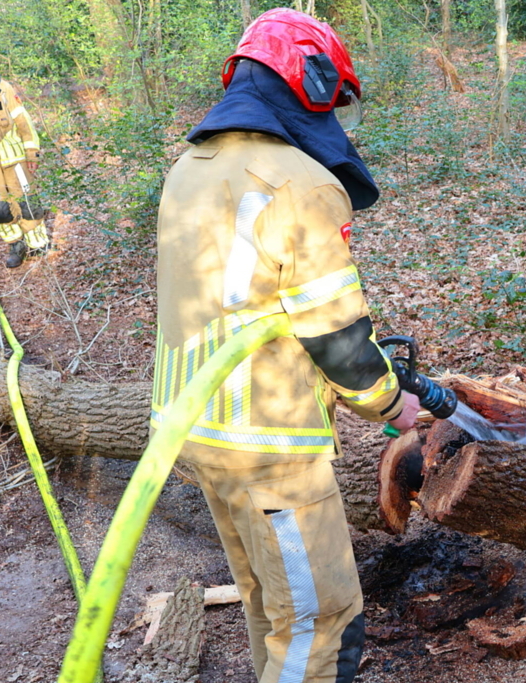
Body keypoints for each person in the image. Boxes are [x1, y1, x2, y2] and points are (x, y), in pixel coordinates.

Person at [151, 10, 419, 682]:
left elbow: (245, 303)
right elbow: (334, 332)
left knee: (272, 606)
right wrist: (392, 401)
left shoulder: (190, 167)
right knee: (322, 621)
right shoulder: (300, 183)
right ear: (310, 81)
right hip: (270, 448)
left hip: (193, 429)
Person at [0, 56, 49, 267]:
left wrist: (31, 152)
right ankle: (16, 244)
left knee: (27, 203)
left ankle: (38, 244)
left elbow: (23, 121)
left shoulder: (2, 88)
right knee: (0, 209)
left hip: (16, 158)